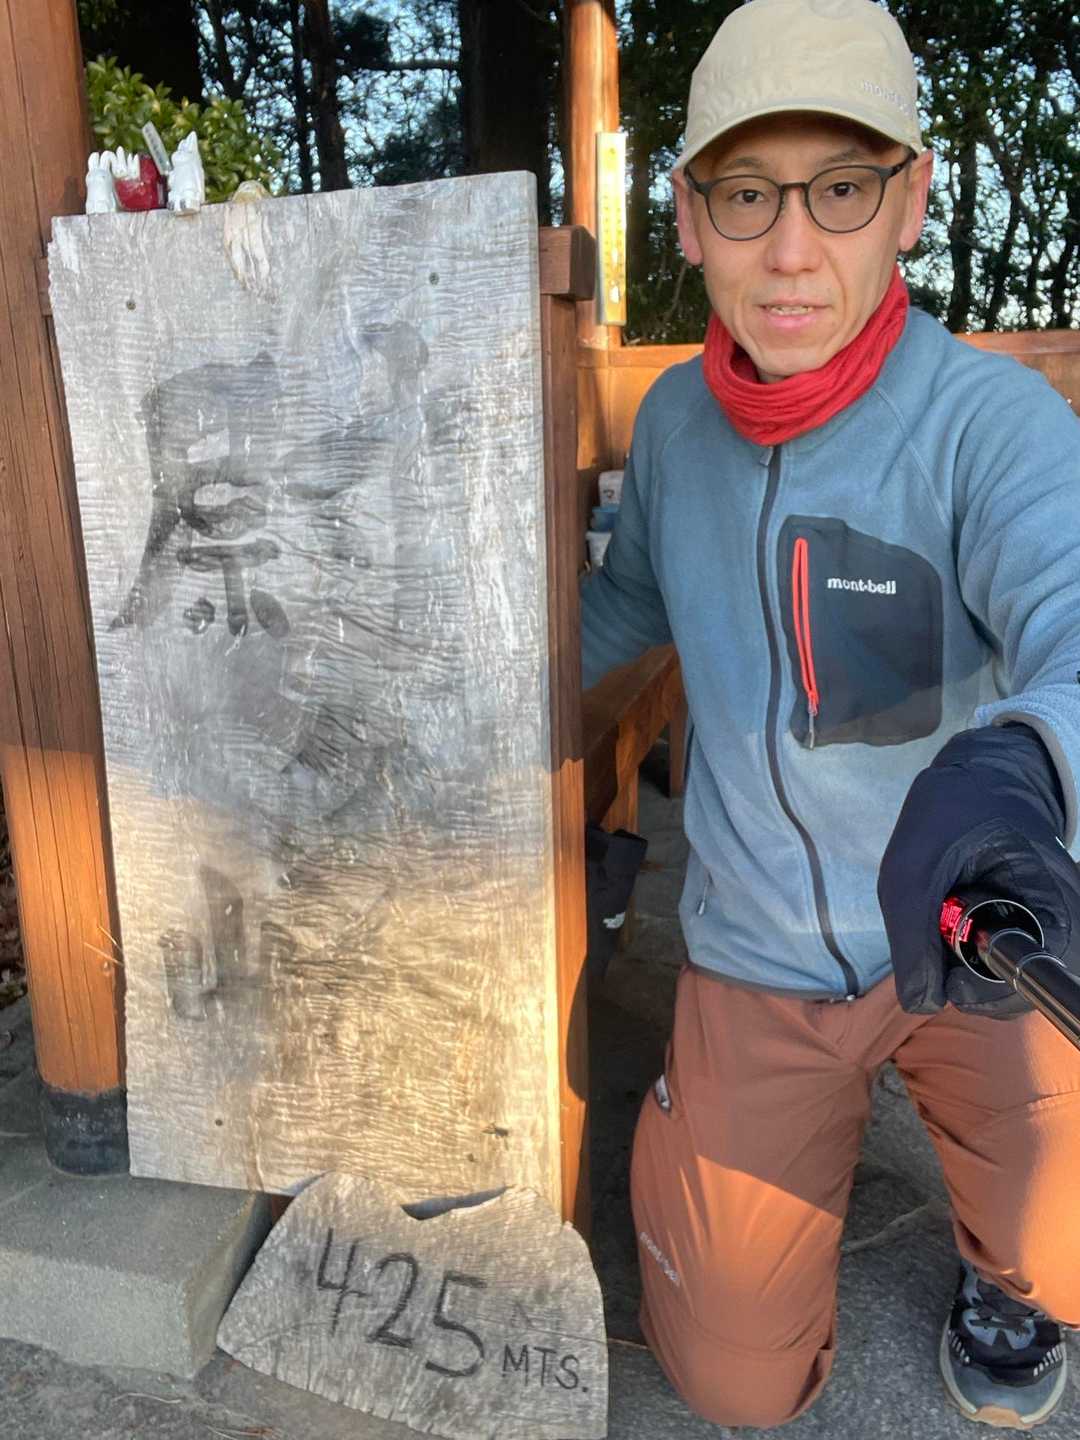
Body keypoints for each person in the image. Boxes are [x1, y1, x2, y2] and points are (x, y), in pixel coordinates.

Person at [580, 0, 1080, 1429]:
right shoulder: (674, 427)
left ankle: (1012, 1271)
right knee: (732, 1376)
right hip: (757, 947)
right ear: (689, 219)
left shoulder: (994, 426)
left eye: (842, 189)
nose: (792, 249)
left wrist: (1026, 765)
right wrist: (469, 684)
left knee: (1069, 1250)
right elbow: (628, 607)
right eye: (747, 194)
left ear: (908, 203)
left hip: (970, 932)